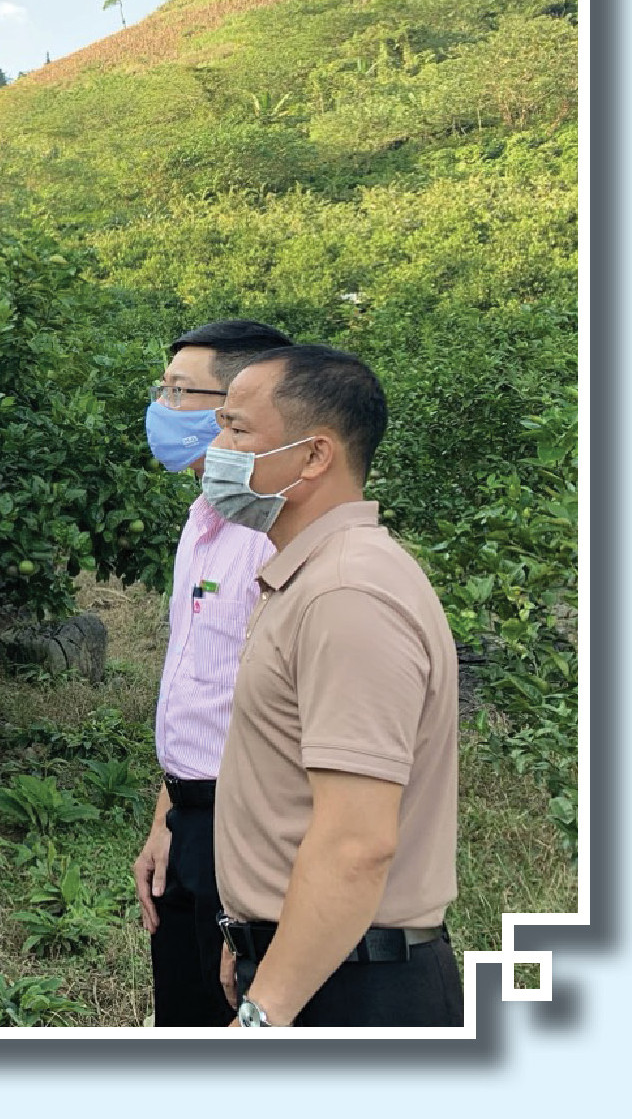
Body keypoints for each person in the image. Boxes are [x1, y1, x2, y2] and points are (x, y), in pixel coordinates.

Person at [206, 344, 462, 1028]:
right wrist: (252, 934)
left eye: (237, 429)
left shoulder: (347, 592)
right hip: (319, 961)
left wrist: (266, 1011)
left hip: (354, 992)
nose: (216, 447)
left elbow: (356, 841)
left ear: (313, 456)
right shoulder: (312, 575)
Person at [132, 318, 292, 1027]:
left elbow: (285, 724)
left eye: (180, 392)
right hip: (193, 819)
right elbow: (200, 690)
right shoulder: (203, 520)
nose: (160, 409)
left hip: (252, 827)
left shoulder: (274, 538)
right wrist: (168, 812)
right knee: (187, 1017)